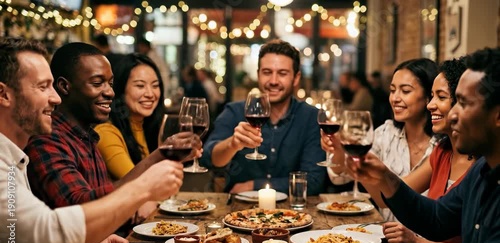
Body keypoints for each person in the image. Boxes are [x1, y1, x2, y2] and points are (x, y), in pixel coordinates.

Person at [0, 37, 182, 243]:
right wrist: (143, 188)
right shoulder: (30, 149)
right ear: (3, 94)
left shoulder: (15, 158)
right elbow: (52, 231)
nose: (54, 98)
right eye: (43, 87)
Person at [345, 47, 500, 243]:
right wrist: (384, 176)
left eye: (464, 103)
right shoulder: (482, 170)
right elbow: (436, 218)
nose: (454, 114)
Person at [23, 42, 186, 225]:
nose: (110, 92)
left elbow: (106, 207)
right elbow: (79, 209)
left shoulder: (87, 136)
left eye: (110, 84)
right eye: (97, 83)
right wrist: (144, 187)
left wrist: (162, 154)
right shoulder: (47, 139)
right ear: (64, 86)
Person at [377, 58, 473, 243]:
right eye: (432, 96)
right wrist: (373, 170)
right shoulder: (442, 152)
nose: (431, 105)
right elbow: (402, 198)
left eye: (441, 97)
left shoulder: (484, 166)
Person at [200, 39, 325, 195]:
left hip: (294, 212)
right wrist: (232, 144)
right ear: (258, 74)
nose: (273, 81)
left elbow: (313, 181)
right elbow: (208, 159)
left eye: (282, 73)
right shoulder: (235, 112)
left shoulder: (311, 118)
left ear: (296, 78)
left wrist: (255, 185)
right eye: (267, 72)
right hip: (239, 212)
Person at [322, 58, 438, 221]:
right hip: (386, 239)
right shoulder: (386, 133)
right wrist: (338, 150)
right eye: (392, 90)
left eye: (405, 91)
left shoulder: (442, 146)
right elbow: (340, 177)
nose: (395, 98)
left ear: (428, 97)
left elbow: (397, 194)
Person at [95, 53, 163, 182]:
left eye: (155, 85)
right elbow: (140, 185)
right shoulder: (106, 133)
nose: (150, 94)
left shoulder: (147, 127)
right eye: (140, 86)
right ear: (121, 89)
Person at [136, 37, 170, 101]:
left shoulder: (153, 58)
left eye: (141, 47)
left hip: (159, 86)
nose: (140, 49)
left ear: (146, 47)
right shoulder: (152, 56)